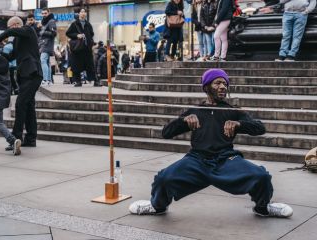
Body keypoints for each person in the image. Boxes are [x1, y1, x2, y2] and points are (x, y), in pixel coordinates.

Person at [129, 68, 293, 218]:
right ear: (206, 87)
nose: (223, 86)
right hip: (197, 160)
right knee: (163, 178)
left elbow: (260, 128)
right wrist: (183, 121)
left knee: (261, 176)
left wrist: (239, 124)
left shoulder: (232, 111)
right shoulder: (195, 111)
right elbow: (166, 133)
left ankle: (263, 208)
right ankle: (157, 206)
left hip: (226, 160)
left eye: (225, 83)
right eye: (218, 83)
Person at [0, 16, 43, 149]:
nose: (9, 30)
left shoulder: (28, 30)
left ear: (15, 25)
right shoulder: (18, 40)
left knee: (20, 104)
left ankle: (15, 138)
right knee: (29, 106)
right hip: (24, 76)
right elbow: (11, 56)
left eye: (10, 27)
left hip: (33, 74)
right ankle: (31, 139)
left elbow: (9, 33)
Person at [66, 7, 100, 87]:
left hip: (87, 49)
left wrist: (91, 42)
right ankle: (78, 81)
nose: (83, 13)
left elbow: (92, 34)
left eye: (84, 12)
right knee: (76, 65)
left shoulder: (88, 24)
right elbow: (68, 33)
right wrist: (77, 35)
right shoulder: (74, 24)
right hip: (78, 49)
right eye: (81, 12)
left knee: (90, 65)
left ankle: (95, 81)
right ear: (78, 14)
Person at [39, 8, 57, 85]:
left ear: (49, 13)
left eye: (45, 13)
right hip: (44, 44)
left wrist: (42, 31)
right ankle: (49, 80)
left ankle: (45, 79)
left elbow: (54, 33)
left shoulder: (51, 21)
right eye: (42, 13)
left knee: (43, 60)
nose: (44, 15)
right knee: (47, 62)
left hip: (47, 44)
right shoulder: (44, 22)